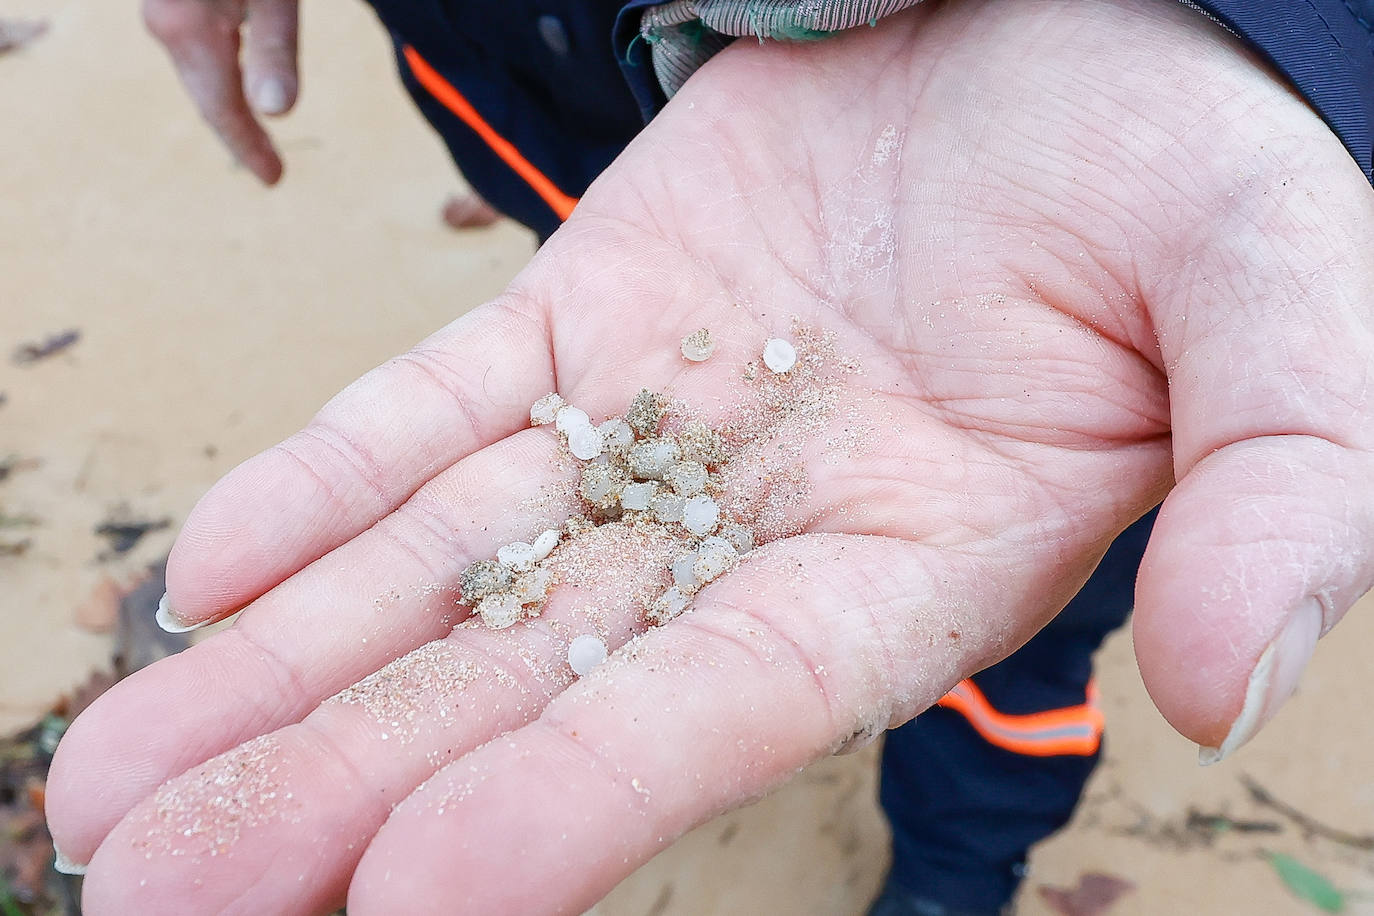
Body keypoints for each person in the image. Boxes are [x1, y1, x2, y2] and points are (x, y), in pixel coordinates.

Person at [45, 1, 1374, 914]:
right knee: (584, 290)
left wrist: (1267, 27)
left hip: (987, 264)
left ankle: (955, 870)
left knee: (1005, 652)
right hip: (560, 103)